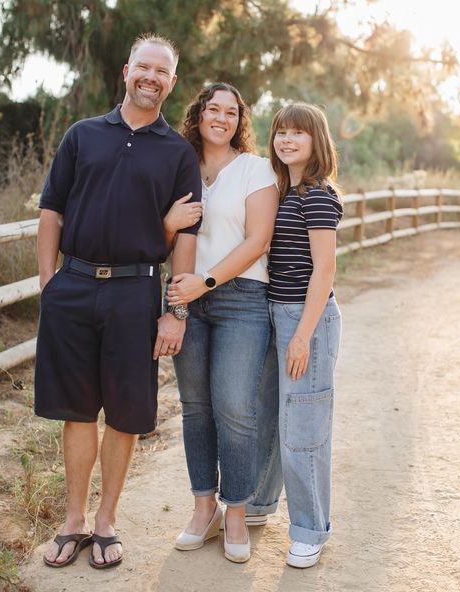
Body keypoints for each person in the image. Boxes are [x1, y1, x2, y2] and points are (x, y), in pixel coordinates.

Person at [35, 33, 202, 569]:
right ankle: (73, 521)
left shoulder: (178, 153)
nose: (151, 77)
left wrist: (175, 311)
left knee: (127, 415)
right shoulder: (82, 135)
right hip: (74, 285)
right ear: (127, 70)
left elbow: (188, 239)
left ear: (172, 83)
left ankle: (106, 521)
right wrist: (48, 286)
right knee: (78, 411)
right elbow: (51, 213)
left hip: (136, 292)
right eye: (144, 67)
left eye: (163, 72)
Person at [166, 82, 280, 563]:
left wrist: (204, 283)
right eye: (213, 108)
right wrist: (170, 227)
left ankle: (237, 512)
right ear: (200, 113)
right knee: (195, 407)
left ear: (240, 121)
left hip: (242, 299)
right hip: (184, 297)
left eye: (231, 112)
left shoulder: (255, 169)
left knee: (234, 406)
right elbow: (158, 233)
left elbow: (257, 241)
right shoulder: (178, 165)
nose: (221, 118)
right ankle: (202, 509)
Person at [267, 102, 343, 568]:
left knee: (304, 428)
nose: (287, 140)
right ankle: (259, 506)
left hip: (306, 318)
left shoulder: (316, 194)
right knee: (281, 418)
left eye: (298, 133)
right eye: (280, 132)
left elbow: (325, 268)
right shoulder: (283, 192)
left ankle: (310, 529)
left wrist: (302, 335)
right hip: (278, 311)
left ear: (317, 141)